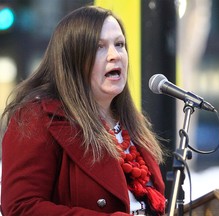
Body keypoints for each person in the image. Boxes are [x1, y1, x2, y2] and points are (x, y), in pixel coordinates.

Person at [0, 5, 167, 216]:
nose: (115, 55)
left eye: (120, 44)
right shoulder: (38, 118)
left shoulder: (133, 124)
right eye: (99, 46)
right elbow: (20, 208)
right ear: (72, 59)